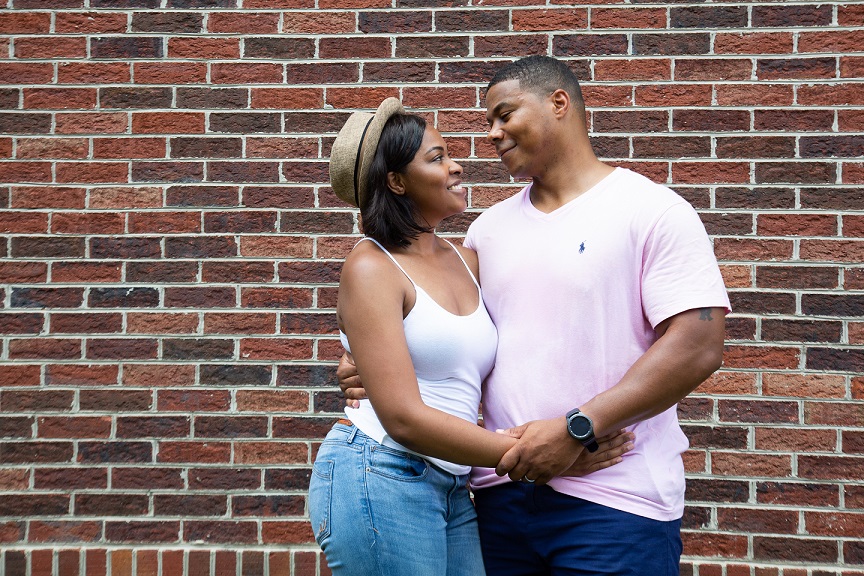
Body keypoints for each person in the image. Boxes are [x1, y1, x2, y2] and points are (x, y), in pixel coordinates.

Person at [338, 56, 731, 575]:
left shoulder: (652, 211)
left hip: (614, 501)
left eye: (504, 115)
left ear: (558, 104)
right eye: (488, 123)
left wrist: (576, 431)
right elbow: (431, 328)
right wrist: (366, 366)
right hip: (502, 503)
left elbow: (698, 346)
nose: (493, 134)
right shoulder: (486, 233)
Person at [309, 97, 632, 576]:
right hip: (379, 473)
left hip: (451, 484)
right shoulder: (371, 266)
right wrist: (538, 456)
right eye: (437, 158)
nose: (457, 165)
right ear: (396, 181)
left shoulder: (467, 260)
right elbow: (403, 418)